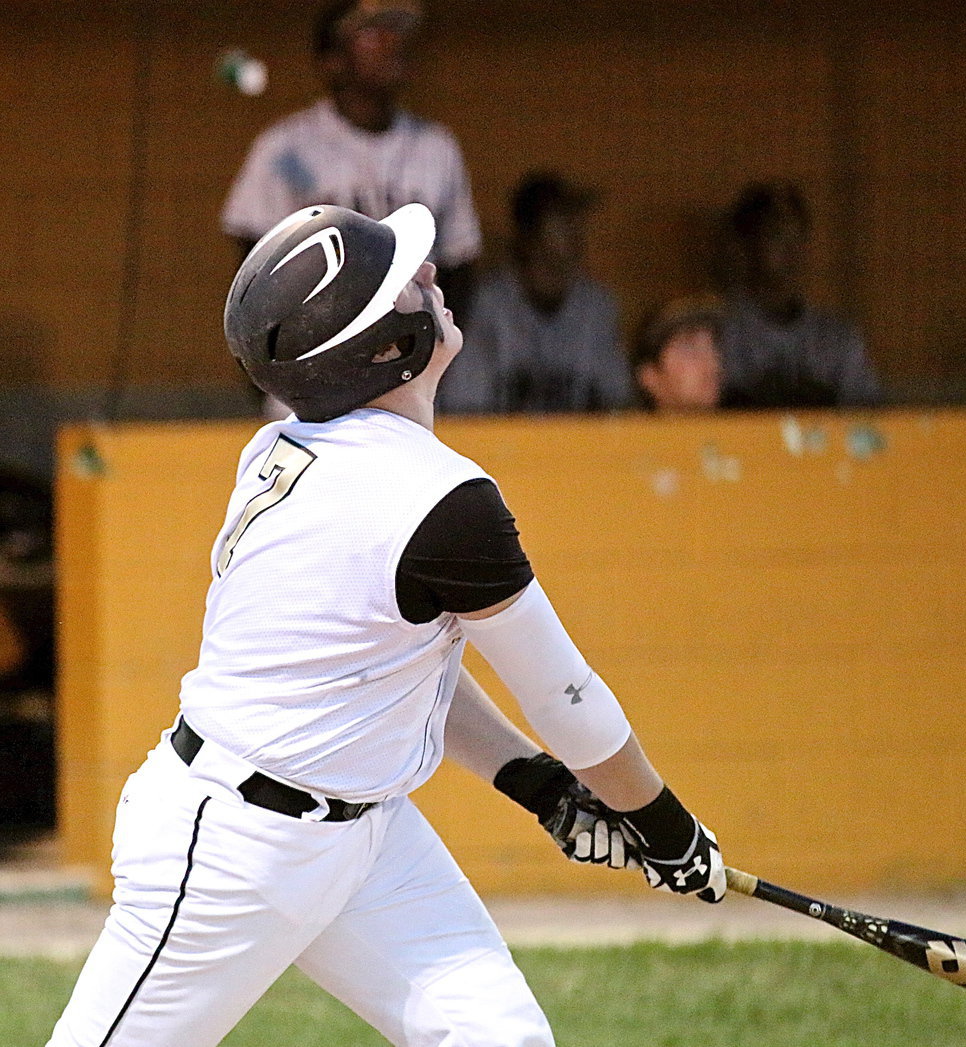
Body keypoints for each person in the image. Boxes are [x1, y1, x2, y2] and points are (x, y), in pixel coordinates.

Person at [45, 202, 724, 1047]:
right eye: (409, 278)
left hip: (369, 833)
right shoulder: (440, 501)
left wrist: (538, 785)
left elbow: (400, 666)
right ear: (383, 347)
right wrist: (665, 827)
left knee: (501, 1038)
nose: (434, 276)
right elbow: (567, 697)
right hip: (233, 850)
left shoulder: (292, 447)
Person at [220, 0, 481, 317]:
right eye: (374, 32)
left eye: (397, 32)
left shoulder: (437, 147)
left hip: (409, 339)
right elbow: (253, 263)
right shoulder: (286, 147)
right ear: (332, 60)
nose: (392, 43)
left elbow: (459, 264)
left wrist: (436, 345)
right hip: (318, 338)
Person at [437, 171, 633, 414]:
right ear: (529, 230)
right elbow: (463, 409)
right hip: (500, 449)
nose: (575, 229)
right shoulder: (488, 303)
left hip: (585, 449)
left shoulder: (597, 306)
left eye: (577, 219)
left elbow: (621, 405)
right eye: (562, 218)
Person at [719, 180, 882, 409]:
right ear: (746, 246)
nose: (791, 251)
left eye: (799, 238)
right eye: (776, 237)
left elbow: (870, 416)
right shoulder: (717, 333)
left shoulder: (838, 337)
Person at [630, 295, 725, 412]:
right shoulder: (619, 429)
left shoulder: (745, 428)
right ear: (649, 376)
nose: (713, 362)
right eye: (689, 347)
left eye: (714, 347)